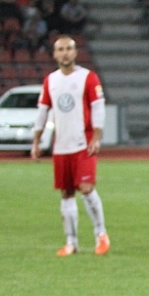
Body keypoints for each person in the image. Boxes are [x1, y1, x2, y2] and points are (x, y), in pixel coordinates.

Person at [31, 35, 110, 257]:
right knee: (66, 193)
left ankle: (101, 234)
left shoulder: (88, 77)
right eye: (61, 49)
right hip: (61, 145)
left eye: (69, 49)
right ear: (54, 54)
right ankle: (71, 242)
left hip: (83, 143)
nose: (65, 53)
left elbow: (98, 108)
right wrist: (36, 141)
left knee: (86, 188)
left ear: (75, 52)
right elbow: (42, 112)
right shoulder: (51, 81)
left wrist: (96, 136)